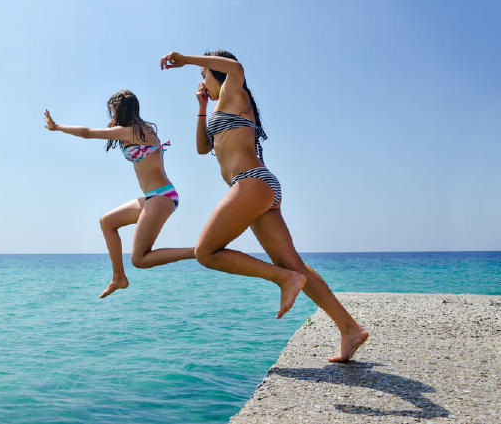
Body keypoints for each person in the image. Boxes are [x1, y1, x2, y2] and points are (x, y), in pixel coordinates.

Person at [160, 50, 369, 362]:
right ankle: (349, 328)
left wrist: (188, 59)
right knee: (294, 264)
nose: (202, 82)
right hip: (259, 187)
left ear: (216, 73)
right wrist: (202, 107)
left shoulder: (234, 90)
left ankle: (283, 279)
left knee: (206, 252)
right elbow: (203, 148)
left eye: (204, 75)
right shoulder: (220, 106)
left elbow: (236, 66)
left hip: (251, 182)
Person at [44, 89, 194, 298]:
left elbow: (87, 132)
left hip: (162, 196)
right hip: (154, 196)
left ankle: (197, 251)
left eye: (113, 111)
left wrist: (57, 127)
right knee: (107, 222)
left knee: (140, 259)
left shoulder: (133, 131)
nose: (111, 116)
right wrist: (114, 124)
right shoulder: (138, 129)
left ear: (122, 111)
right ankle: (118, 278)